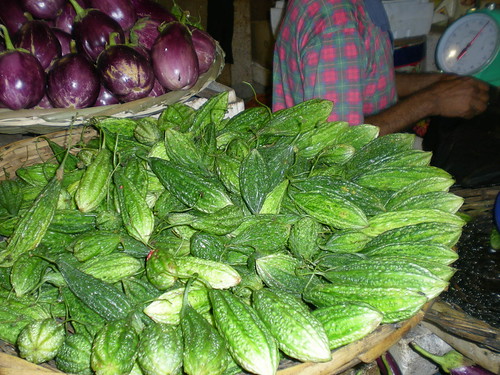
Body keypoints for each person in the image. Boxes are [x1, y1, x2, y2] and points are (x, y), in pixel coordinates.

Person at [272, 0, 491, 136]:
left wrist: (437, 84)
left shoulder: (361, 6)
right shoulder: (337, 22)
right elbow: (338, 144)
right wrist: (432, 100)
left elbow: (364, 77)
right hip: (341, 186)